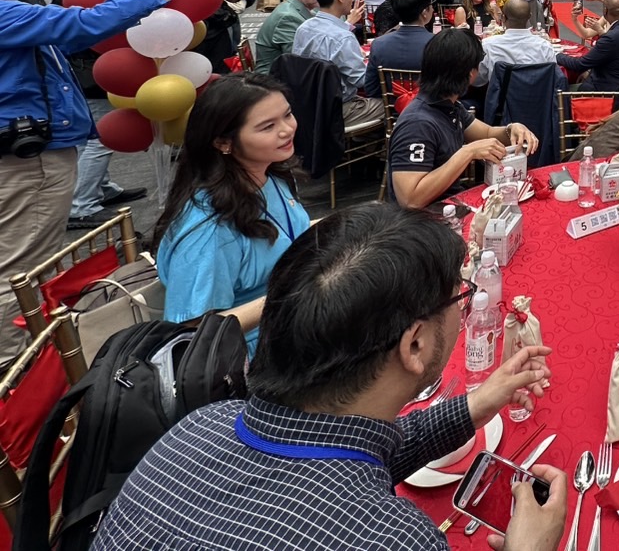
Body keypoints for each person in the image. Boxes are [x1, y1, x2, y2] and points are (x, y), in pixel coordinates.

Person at [92, 203, 564, 551]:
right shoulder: (389, 538)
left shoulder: (200, 426)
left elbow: (345, 449)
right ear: (415, 344)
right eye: (459, 297)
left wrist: (478, 402)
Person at [0, 0, 180, 363]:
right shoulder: (6, 15)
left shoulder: (16, 10)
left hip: (29, 154)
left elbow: (77, 29)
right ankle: (17, 369)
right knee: (21, 269)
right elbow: (82, 24)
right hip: (28, 162)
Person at [152, 75, 309, 350]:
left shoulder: (271, 177)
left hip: (299, 323)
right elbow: (193, 331)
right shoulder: (209, 229)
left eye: (287, 115)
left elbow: (288, 234)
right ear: (223, 142)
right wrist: (289, 295)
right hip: (259, 355)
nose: (287, 130)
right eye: (267, 127)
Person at [387, 29, 539, 207]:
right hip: (425, 223)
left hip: (450, 204)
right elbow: (410, 199)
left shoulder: (447, 105)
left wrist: (512, 128)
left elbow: (487, 132)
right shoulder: (417, 124)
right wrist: (467, 152)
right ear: (469, 75)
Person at [290, 0, 384, 126]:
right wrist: (375, 65)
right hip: (337, 108)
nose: (352, 0)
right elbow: (361, 81)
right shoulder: (343, 38)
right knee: (390, 104)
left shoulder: (304, 28)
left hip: (307, 103)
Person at [557, 0, 619, 92]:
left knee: (559, 87)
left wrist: (556, 55)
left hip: (608, 89)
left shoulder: (611, 37)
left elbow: (579, 65)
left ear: (605, 11)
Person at [365, 0, 437, 94]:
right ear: (424, 13)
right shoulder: (438, 44)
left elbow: (371, 89)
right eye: (431, 5)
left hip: (390, 106)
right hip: (429, 108)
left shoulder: (379, 44)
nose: (433, 9)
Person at [477, 0, 560, 86]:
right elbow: (553, 78)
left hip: (500, 99)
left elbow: (478, 80)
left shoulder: (488, 45)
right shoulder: (545, 46)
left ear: (503, 18)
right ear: (530, 17)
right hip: (536, 98)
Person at [250, 0, 320, 76]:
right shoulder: (288, 17)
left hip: (284, 72)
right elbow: (298, 58)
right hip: (272, 80)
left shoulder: (296, 8)